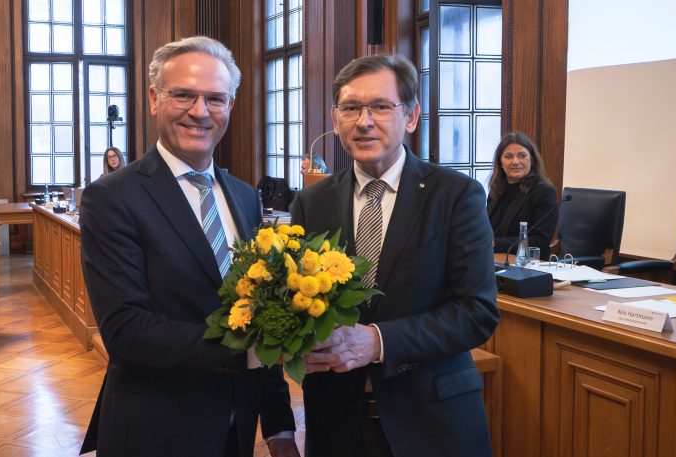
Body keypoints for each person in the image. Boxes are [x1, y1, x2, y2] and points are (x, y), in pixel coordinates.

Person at [79, 36, 298, 457]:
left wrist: (279, 427)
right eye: (183, 95)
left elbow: (262, 314)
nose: (200, 111)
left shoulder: (244, 196)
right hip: (156, 430)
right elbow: (126, 332)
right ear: (154, 99)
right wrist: (243, 353)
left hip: (238, 427)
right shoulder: (112, 198)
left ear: (230, 106)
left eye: (216, 98)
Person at [290, 54, 500, 457]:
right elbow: (301, 304)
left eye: (381, 106)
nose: (364, 121)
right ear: (336, 121)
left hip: (432, 420)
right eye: (351, 108)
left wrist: (377, 341)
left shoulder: (455, 196)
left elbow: (477, 311)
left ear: (411, 116)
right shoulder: (310, 202)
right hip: (335, 421)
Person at [487, 132, 558, 259]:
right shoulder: (496, 190)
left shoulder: (544, 192)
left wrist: (494, 243)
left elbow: (539, 242)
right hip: (494, 260)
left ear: (531, 160)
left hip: (529, 265)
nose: (515, 161)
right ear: (500, 163)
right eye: (508, 156)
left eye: (522, 155)